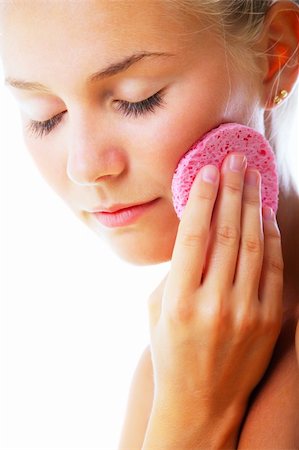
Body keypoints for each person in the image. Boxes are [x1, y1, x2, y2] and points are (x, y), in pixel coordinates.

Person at [0, 0, 298, 448]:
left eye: (137, 100)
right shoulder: (177, 357)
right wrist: (188, 404)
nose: (86, 167)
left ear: (276, 51)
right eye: (45, 115)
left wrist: (196, 411)